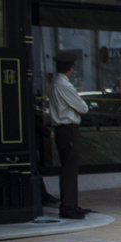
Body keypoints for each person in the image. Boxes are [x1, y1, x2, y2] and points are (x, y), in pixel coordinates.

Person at [49, 51, 90, 219]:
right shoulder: (64, 85)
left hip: (63, 129)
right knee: (69, 168)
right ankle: (68, 206)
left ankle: (72, 203)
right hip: (67, 128)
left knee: (69, 168)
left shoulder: (55, 82)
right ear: (70, 68)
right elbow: (83, 108)